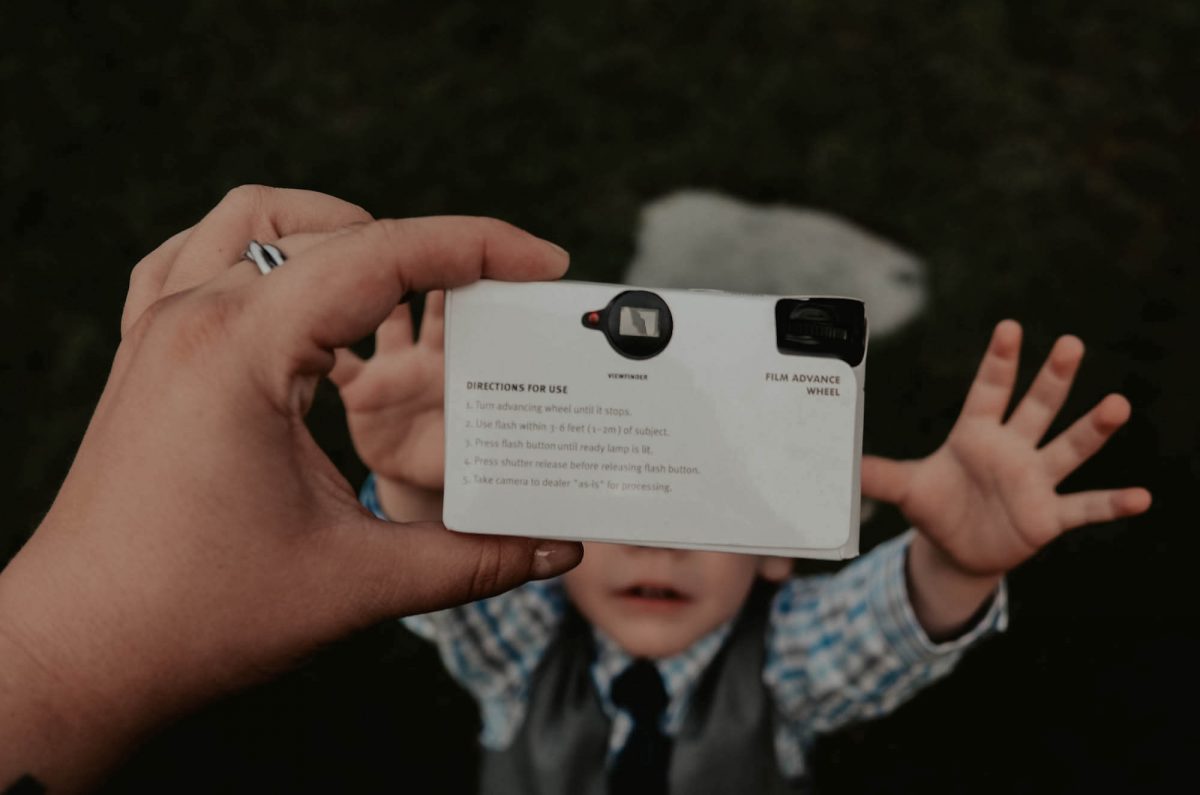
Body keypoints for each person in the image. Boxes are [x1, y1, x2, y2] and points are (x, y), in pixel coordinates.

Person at [337, 289, 1152, 793]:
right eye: (624, 510)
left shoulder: (782, 662)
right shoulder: (526, 644)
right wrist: (418, 483)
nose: (658, 551)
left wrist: (952, 563)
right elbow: (444, 589)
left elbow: (868, 633)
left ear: (775, 549)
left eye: (703, 512)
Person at [0, 186, 587, 794]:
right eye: (608, 522)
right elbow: (473, 616)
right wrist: (416, 488)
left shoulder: (543, 672)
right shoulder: (539, 651)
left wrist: (61, 646)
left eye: (658, 519)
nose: (657, 553)